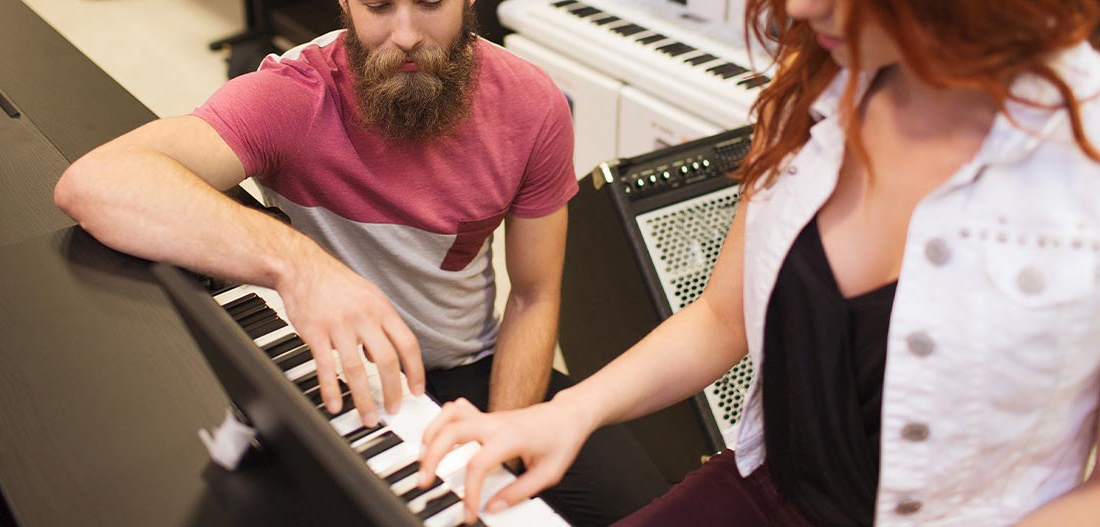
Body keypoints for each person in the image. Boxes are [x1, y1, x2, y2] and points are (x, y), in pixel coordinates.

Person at [418, 0, 1100, 525]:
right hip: (767, 493)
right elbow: (722, 318)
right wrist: (569, 411)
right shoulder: (814, 92)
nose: (799, 8)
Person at [53, 0, 668, 524]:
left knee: (648, 510)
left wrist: (498, 448)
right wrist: (300, 265)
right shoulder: (294, 94)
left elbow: (534, 296)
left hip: (469, 372)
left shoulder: (532, 105)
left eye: (431, 3)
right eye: (378, 5)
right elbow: (97, 182)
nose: (406, 34)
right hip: (334, 376)